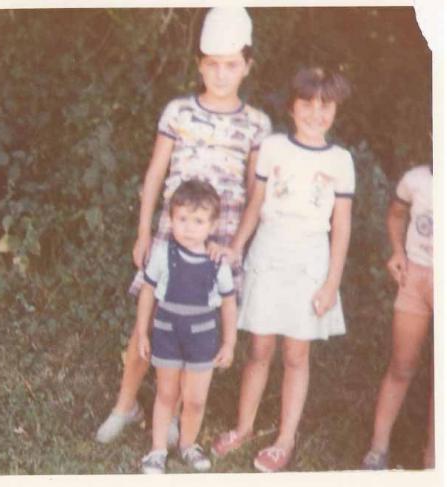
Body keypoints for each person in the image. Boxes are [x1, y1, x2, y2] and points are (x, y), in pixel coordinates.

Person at [95, 6, 271, 446]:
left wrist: (236, 246)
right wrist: (143, 232)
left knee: (195, 323)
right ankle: (125, 405)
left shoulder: (257, 124)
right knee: (153, 317)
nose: (221, 74)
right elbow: (156, 173)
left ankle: (172, 414)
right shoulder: (178, 112)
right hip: (171, 237)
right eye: (212, 64)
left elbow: (256, 194)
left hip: (218, 245)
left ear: (247, 66)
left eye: (231, 65)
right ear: (199, 65)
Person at [210, 67, 354, 473]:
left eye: (325, 106)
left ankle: (285, 439)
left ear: (335, 111)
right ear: (292, 107)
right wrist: (236, 247)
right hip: (269, 253)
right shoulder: (272, 147)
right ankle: (243, 427)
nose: (315, 113)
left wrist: (331, 283)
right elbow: (256, 203)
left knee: (296, 354)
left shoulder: (341, 161)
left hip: (310, 262)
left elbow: (342, 227)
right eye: (307, 104)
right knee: (259, 349)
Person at [137, 179, 237, 474]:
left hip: (202, 337)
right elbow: (147, 291)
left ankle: (188, 444)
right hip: (167, 332)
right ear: (171, 219)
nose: (189, 228)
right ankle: (157, 450)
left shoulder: (217, 262)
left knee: (195, 399)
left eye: (198, 221)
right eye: (182, 219)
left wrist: (229, 343)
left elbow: (229, 303)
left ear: (212, 225)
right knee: (166, 394)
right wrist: (142, 332)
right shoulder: (162, 253)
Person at [361, 163, 433, 470]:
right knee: (401, 365)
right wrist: (397, 251)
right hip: (415, 280)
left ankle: (433, 462)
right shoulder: (416, 179)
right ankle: (378, 449)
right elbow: (396, 214)